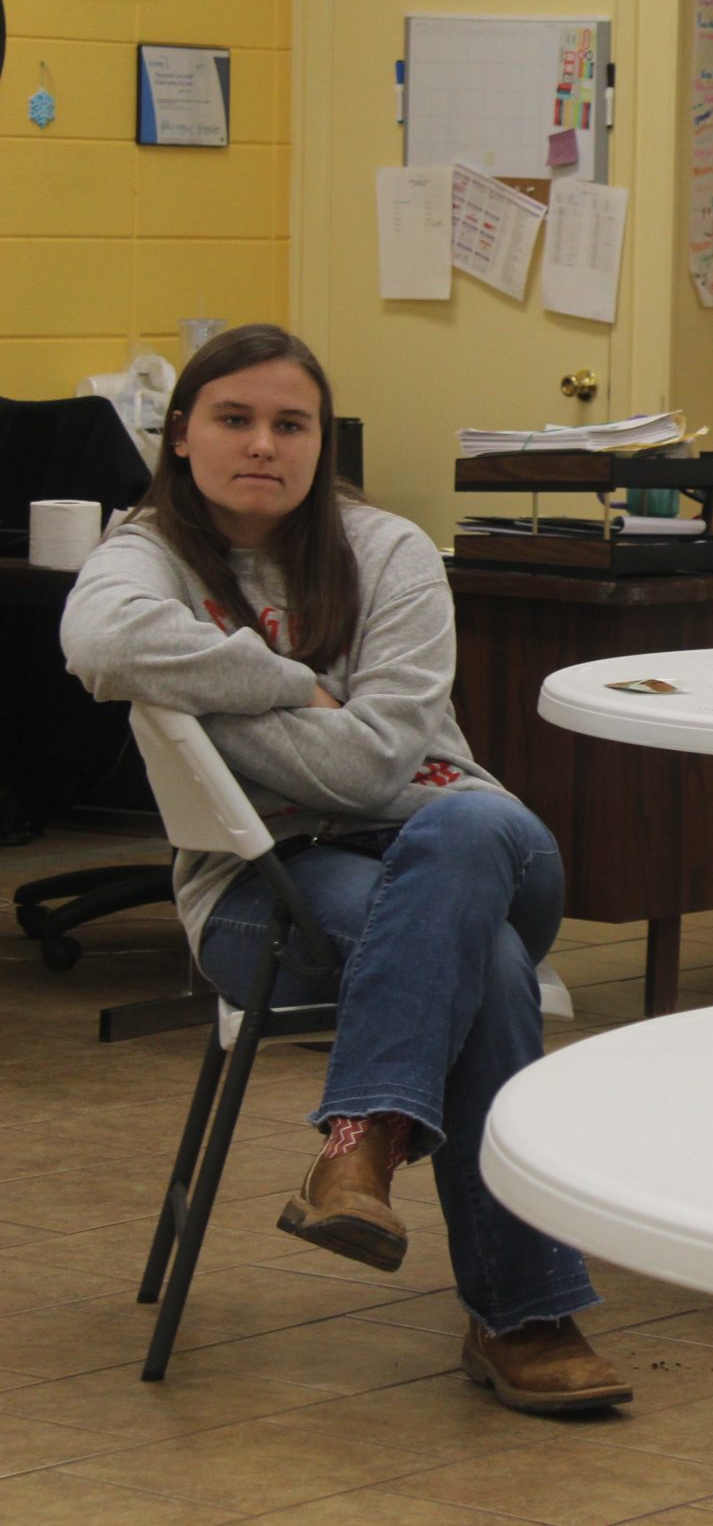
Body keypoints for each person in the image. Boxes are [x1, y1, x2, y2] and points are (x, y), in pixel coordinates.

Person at [61, 324, 628, 1415]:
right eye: (234, 418)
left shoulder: (389, 550)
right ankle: (520, 1313)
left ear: (323, 442)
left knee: (463, 837)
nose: (262, 444)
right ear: (180, 435)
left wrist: (214, 700)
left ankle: (362, 1145)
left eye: (291, 424)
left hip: (472, 841)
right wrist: (294, 684)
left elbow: (374, 767)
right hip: (266, 888)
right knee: (487, 969)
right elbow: (100, 643)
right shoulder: (145, 553)